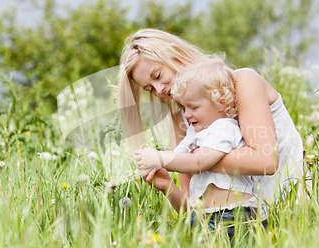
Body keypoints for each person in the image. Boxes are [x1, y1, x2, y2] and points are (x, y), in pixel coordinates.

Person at [118, 28, 308, 224]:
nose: (159, 90)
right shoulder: (182, 120)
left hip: (290, 215)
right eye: (149, 89)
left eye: (157, 76)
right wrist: (167, 185)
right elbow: (194, 209)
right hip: (233, 225)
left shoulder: (242, 83)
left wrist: (185, 159)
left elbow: (266, 161)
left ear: (176, 56)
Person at [134, 57, 260, 231]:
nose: (186, 114)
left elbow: (198, 162)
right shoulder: (195, 132)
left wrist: (159, 158)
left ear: (221, 103)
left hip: (233, 215)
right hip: (205, 216)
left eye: (193, 107)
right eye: (184, 108)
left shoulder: (224, 128)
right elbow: (179, 157)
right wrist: (157, 167)